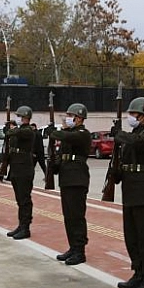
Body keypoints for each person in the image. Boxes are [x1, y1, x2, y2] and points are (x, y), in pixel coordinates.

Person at [114, 97, 144, 288]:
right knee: (131, 236)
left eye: (134, 114)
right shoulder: (131, 135)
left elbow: (138, 142)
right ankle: (138, 272)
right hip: (130, 189)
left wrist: (120, 135)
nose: (130, 117)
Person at [50, 104, 92, 265]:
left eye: (70, 115)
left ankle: (80, 250)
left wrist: (55, 132)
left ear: (79, 118)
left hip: (77, 178)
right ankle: (73, 247)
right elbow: (61, 152)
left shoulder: (82, 133)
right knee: (68, 216)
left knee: (76, 216)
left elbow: (67, 137)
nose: (67, 118)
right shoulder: (68, 134)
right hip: (66, 177)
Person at [5, 106, 35, 240]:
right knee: (19, 199)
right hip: (16, 167)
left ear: (25, 117)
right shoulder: (19, 130)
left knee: (24, 199)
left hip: (24, 168)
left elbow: (17, 133)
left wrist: (12, 130)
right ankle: (21, 224)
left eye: (19, 116)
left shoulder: (28, 130)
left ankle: (25, 227)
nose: (17, 118)